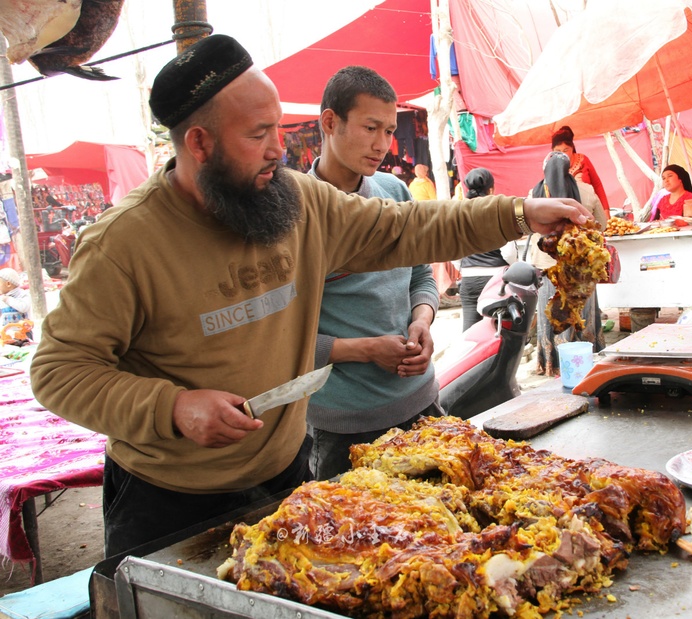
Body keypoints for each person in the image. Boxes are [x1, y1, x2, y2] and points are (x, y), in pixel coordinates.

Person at [27, 34, 589, 557]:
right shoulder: (123, 244)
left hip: (285, 476)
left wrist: (521, 212)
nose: (278, 149)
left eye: (278, 128)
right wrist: (171, 407)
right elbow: (58, 371)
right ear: (199, 143)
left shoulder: (296, 201)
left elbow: (405, 228)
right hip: (169, 498)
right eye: (257, 135)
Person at [306, 66, 441, 481]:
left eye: (388, 130)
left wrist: (422, 321)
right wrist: (366, 349)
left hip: (422, 404)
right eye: (370, 128)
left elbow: (422, 275)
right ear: (330, 122)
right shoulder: (298, 215)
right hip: (343, 428)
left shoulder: (395, 192)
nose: (382, 144)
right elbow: (280, 339)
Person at [530, 151, 606, 376]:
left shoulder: (534, 195)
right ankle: (587, 363)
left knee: (554, 317)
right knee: (583, 316)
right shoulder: (586, 191)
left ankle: (554, 365)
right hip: (582, 269)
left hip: (547, 270)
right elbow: (601, 224)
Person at [458, 168, 510, 331]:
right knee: (499, 330)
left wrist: (463, 268)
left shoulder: (459, 213)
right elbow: (509, 252)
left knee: (469, 331)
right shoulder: (498, 211)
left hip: (469, 279)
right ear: (491, 189)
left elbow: (452, 248)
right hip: (496, 278)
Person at [551, 125, 610, 221]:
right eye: (558, 151)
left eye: (566, 150)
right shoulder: (551, 168)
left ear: (572, 148)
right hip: (565, 217)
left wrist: (605, 210)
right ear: (552, 151)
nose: (562, 154)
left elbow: (597, 185)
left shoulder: (583, 160)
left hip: (589, 213)